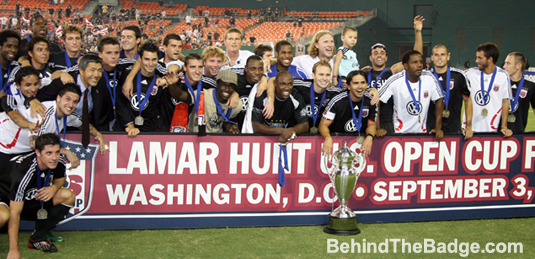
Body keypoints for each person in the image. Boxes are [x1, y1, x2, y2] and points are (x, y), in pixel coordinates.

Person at [1, 134, 75, 255]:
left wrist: (53, 187)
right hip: (6, 200)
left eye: (57, 152)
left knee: (68, 196)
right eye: (49, 153)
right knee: (3, 216)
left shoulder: (58, 161)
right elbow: (15, 213)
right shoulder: (22, 172)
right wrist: (13, 251)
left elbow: (60, 179)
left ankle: (37, 237)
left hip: (29, 199)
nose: (54, 157)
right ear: (38, 153)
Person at [379, 50, 444, 140]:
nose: (419, 65)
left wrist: (438, 127)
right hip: (399, 133)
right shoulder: (395, 80)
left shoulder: (429, 78)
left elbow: (439, 99)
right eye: (415, 62)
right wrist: (377, 128)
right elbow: (376, 101)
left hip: (422, 133)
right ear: (406, 66)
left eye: (421, 62)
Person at [115, 43, 168, 136]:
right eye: (146, 59)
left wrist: (166, 79)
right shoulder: (127, 74)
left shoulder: (161, 78)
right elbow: (120, 102)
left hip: (149, 132)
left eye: (154, 59)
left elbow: (176, 68)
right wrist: (129, 124)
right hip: (124, 129)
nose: (150, 64)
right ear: (140, 59)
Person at [320, 70, 377, 156]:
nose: (360, 86)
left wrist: (370, 137)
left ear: (367, 85)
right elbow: (323, 125)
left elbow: (371, 125)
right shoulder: (337, 100)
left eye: (362, 83)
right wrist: (327, 137)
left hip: (358, 145)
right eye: (355, 83)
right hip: (337, 143)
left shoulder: (370, 100)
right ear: (348, 86)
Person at [167, 69, 243, 134]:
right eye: (224, 85)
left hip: (217, 141)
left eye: (230, 86)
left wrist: (229, 127)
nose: (227, 89)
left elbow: (225, 121)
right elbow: (180, 96)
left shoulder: (236, 104)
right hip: (195, 138)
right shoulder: (203, 95)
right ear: (217, 83)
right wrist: (172, 84)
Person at [465, 42, 512, 136]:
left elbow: (505, 101)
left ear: (490, 59)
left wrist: (504, 126)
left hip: (492, 128)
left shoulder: (503, 75)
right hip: (470, 130)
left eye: (480, 58)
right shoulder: (469, 74)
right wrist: (468, 127)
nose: (476, 61)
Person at [428, 44, 473, 139]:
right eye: (436, 55)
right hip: (431, 129)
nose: (439, 57)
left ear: (448, 56)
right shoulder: (426, 76)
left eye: (442, 54)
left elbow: (468, 101)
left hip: (453, 128)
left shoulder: (459, 76)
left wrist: (468, 126)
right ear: (432, 58)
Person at [251, 71, 308, 142]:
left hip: (287, 136)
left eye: (289, 84)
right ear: (275, 84)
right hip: (263, 138)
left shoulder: (296, 97)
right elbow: (255, 126)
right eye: (282, 84)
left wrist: (288, 132)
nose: (286, 88)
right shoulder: (263, 97)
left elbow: (305, 125)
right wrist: (281, 131)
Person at [293, 59, 342, 131]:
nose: (324, 78)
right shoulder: (302, 85)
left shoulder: (334, 92)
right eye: (321, 74)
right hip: (299, 132)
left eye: (327, 75)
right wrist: (271, 100)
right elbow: (275, 80)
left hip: (322, 133)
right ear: (313, 75)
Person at [502, 52, 535, 133]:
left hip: (519, 134)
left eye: (508, 63)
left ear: (518, 66)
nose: (504, 66)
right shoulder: (500, 84)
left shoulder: (530, 85)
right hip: (497, 133)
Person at [0, 30, 20, 98]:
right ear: (0, 47)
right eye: (9, 46)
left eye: (15, 47)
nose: (13, 50)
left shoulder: (17, 69)